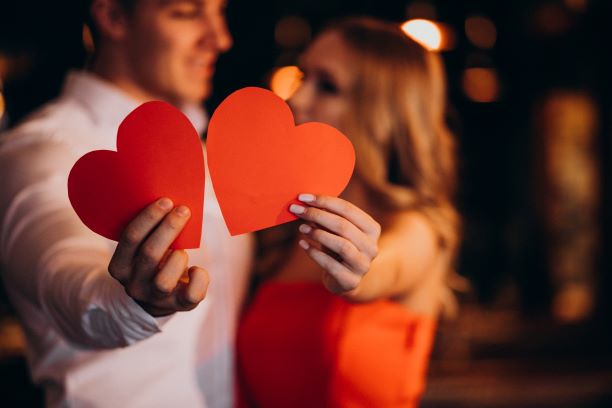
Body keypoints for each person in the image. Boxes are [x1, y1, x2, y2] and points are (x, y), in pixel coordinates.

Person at [0, 1, 379, 407]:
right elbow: (61, 272)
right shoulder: (41, 152)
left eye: (220, 12)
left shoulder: (215, 155)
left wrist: (354, 261)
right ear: (113, 17)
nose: (219, 39)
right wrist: (134, 302)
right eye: (185, 12)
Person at [236, 17, 461, 408]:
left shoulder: (416, 228)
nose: (297, 99)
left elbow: (380, 268)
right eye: (303, 76)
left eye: (327, 85)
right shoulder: (285, 229)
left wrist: (359, 271)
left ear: (384, 112)